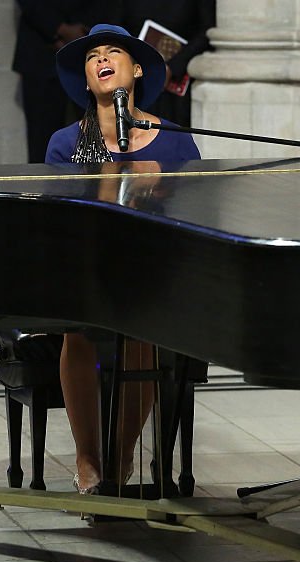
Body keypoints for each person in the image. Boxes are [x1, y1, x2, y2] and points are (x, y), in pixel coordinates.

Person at [48, 23, 199, 494]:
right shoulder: (69, 142)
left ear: (136, 69)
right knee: (79, 326)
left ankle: (121, 451)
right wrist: (124, 170)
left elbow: (195, 214)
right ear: (87, 79)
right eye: (93, 58)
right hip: (87, 263)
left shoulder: (173, 140)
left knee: (143, 330)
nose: (102, 60)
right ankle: (88, 457)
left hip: (155, 267)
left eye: (114, 52)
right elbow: (66, 214)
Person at [112, 1, 216, 127]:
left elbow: (208, 31)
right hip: (136, 79)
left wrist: (173, 67)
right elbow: (115, 26)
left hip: (178, 85)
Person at [12, 1, 90, 163]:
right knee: (42, 146)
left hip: (93, 44)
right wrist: (59, 29)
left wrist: (90, 33)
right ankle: (41, 190)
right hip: (40, 49)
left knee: (100, 145)